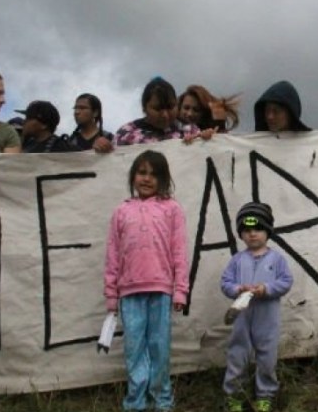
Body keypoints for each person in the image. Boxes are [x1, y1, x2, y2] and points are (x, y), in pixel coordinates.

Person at [104, 149, 189, 411]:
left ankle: (162, 399)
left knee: (159, 347)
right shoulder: (121, 211)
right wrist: (111, 293)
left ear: (163, 179)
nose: (147, 179)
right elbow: (112, 254)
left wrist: (180, 291)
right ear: (133, 175)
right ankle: (135, 401)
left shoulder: (172, 209)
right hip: (129, 292)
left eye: (154, 174)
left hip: (161, 289)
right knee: (134, 347)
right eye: (142, 172)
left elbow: (180, 252)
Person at [221, 202, 293, 412]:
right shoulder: (237, 260)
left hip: (267, 319)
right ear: (241, 234)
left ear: (268, 231)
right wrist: (237, 288)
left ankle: (265, 396)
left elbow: (286, 282)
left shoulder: (277, 259)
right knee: (237, 356)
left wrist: (267, 289)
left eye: (258, 229)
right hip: (241, 319)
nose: (253, 234)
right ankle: (234, 396)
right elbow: (225, 283)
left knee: (267, 357)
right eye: (247, 230)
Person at [115, 77, 183, 146]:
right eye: (158, 109)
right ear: (144, 108)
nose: (165, 115)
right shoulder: (126, 134)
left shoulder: (186, 130)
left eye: (170, 107)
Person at [177, 85, 241, 143]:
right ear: (179, 108)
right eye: (186, 108)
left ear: (204, 113)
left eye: (196, 110)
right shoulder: (169, 128)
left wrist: (210, 136)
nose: (189, 114)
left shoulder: (211, 133)